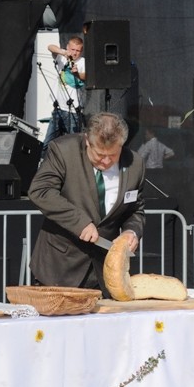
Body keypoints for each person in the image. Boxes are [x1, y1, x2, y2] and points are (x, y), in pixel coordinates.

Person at [28, 112, 145, 298]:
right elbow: (41, 191)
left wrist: (131, 231)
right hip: (61, 267)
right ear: (87, 142)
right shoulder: (63, 150)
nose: (106, 161)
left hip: (105, 271)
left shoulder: (135, 164)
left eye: (113, 155)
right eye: (100, 155)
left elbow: (135, 209)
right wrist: (79, 222)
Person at [40, 36, 87, 158]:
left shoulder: (82, 62)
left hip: (73, 111)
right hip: (58, 109)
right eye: (72, 49)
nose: (74, 53)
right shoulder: (62, 57)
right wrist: (63, 52)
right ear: (67, 47)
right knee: (47, 144)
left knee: (73, 145)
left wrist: (76, 74)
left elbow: (86, 76)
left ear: (81, 51)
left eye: (78, 50)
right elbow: (50, 47)